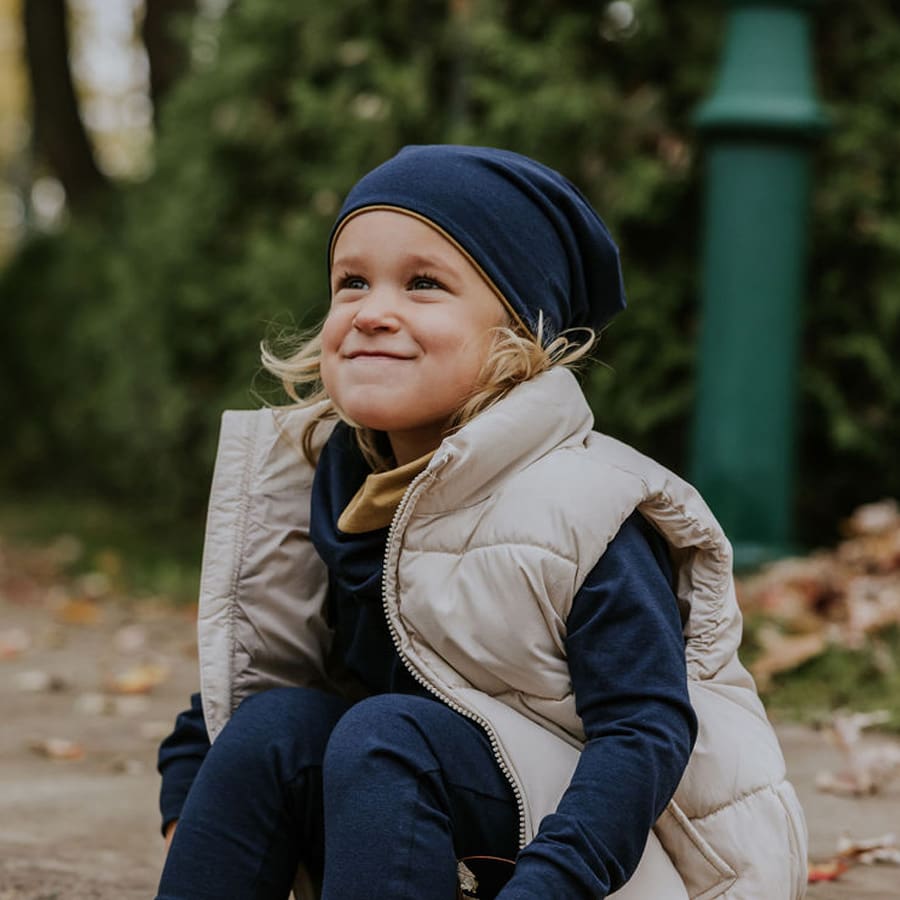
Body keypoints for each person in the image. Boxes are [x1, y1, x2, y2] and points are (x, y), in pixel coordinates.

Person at [155, 145, 808, 900]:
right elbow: (260, 669)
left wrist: (551, 885)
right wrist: (195, 810)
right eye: (352, 282)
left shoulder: (581, 508)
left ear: (520, 334)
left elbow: (644, 734)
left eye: (423, 284)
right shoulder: (339, 489)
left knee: (386, 734)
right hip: (415, 841)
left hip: (604, 861)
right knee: (279, 727)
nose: (372, 311)